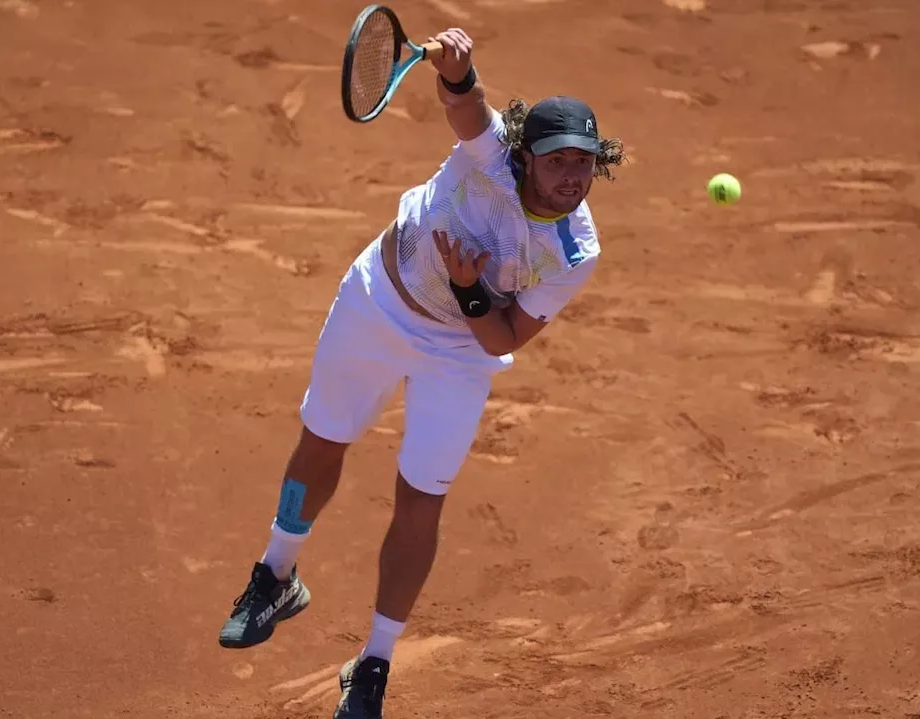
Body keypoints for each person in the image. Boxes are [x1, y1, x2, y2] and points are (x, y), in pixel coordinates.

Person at [216, 26, 625, 719]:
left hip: (461, 352)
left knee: (421, 498)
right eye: (557, 160)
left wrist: (469, 289)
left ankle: (372, 660)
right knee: (323, 439)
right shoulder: (488, 153)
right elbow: (467, 107)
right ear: (524, 157)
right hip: (378, 303)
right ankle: (276, 573)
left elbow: (503, 333)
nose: (571, 177)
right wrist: (460, 72)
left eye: (584, 163)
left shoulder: (575, 249)